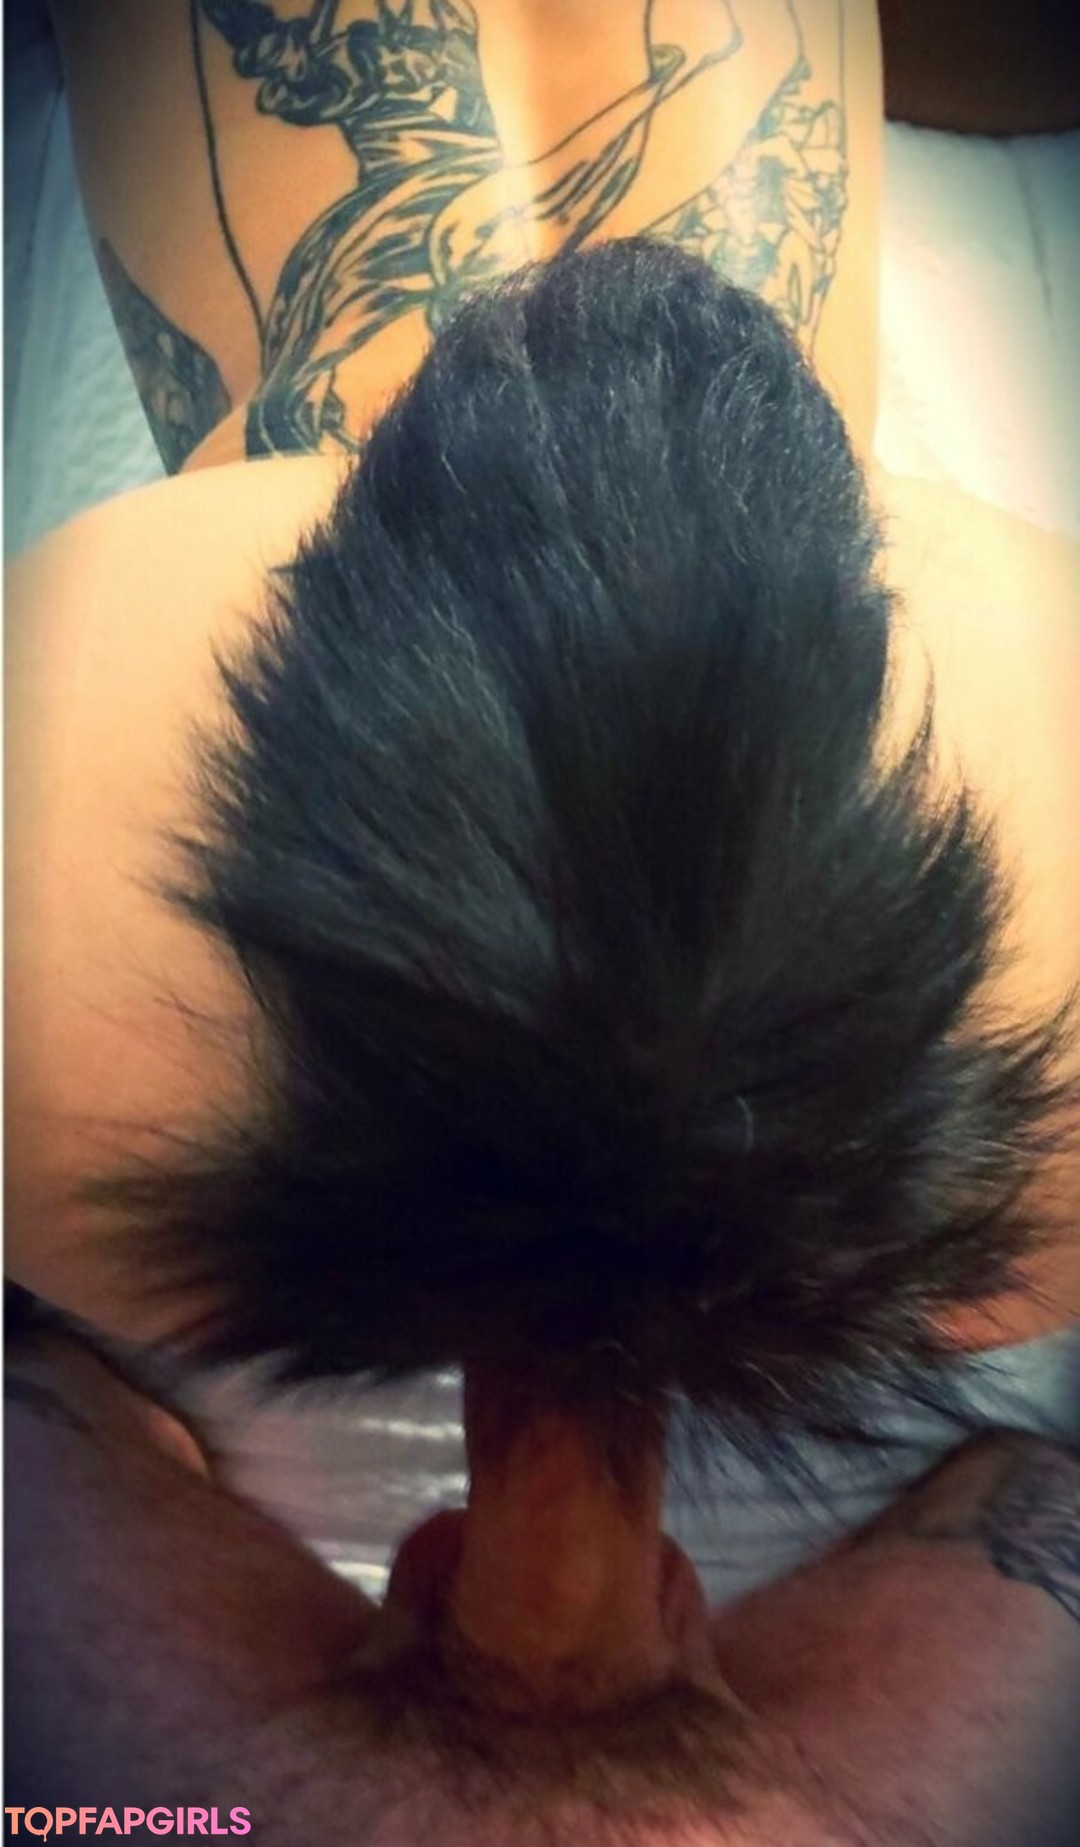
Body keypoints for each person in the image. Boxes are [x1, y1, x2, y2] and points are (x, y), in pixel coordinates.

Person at [6, 2, 1080, 1838]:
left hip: (945, 817)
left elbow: (1018, 1502)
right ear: (417, 1579)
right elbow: (55, 1425)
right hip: (155, 883)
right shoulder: (71, 1077)